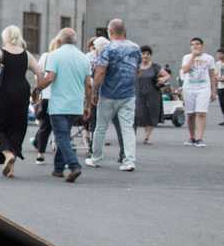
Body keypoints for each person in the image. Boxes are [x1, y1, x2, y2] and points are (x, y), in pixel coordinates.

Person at [0, 25, 46, 178]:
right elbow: (39, 72)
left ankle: (7, 153)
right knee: (16, 128)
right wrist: (37, 90)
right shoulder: (26, 54)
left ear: (5, 37)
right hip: (22, 92)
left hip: (2, 93)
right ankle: (11, 169)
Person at [34, 28, 92, 183]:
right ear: (75, 41)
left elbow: (50, 77)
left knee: (61, 137)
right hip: (75, 106)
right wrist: (88, 106)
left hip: (59, 104)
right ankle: (58, 169)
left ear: (59, 41)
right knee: (64, 134)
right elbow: (88, 85)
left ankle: (74, 166)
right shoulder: (84, 58)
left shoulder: (54, 56)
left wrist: (38, 87)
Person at [85, 19, 141, 171]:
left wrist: (95, 91)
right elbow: (137, 70)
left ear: (110, 32)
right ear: (124, 30)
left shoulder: (107, 49)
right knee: (127, 128)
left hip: (108, 94)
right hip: (128, 94)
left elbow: (100, 71)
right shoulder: (135, 48)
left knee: (101, 127)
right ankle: (129, 160)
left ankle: (95, 157)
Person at [179, 36, 217, 147]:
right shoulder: (186, 57)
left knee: (201, 112)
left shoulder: (209, 58)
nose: (195, 46)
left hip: (203, 88)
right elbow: (185, 70)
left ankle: (200, 138)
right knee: (190, 114)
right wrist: (193, 57)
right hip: (189, 88)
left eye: (197, 44)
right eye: (192, 44)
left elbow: (212, 75)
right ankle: (192, 137)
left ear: (202, 45)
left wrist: (213, 91)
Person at [31, 36, 60, 162]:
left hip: (47, 96)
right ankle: (61, 157)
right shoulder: (64, 58)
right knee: (61, 128)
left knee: (45, 127)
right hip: (61, 98)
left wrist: (38, 89)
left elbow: (38, 74)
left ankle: (40, 154)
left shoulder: (46, 56)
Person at [134, 45, 169, 144]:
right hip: (138, 94)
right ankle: (132, 136)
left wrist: (163, 79)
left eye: (147, 54)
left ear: (150, 55)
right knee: (136, 114)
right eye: (143, 54)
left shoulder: (155, 66)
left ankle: (147, 137)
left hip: (153, 94)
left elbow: (167, 75)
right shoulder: (136, 66)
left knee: (151, 115)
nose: (145, 56)